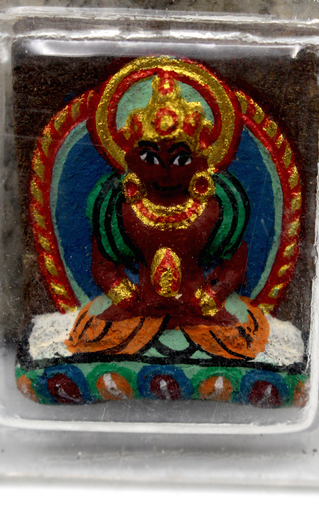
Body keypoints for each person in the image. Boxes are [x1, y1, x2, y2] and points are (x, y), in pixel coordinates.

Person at [65, 60, 269, 359]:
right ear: (130, 160)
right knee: (91, 337)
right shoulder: (121, 210)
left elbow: (235, 265)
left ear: (201, 161)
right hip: (138, 310)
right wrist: (125, 295)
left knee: (242, 338)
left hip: (200, 312)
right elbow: (104, 267)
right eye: (149, 157)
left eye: (180, 159)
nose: (164, 172)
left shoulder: (215, 210)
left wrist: (212, 296)